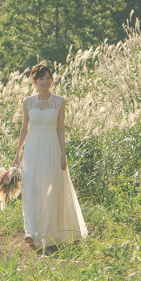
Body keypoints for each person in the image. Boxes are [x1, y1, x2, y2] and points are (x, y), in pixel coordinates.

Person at [13, 62, 88, 251]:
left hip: (51, 148)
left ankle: (48, 233)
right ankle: (30, 232)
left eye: (48, 78)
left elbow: (60, 129)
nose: (45, 81)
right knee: (30, 189)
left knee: (51, 190)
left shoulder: (59, 101)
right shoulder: (28, 102)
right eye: (41, 78)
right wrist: (17, 154)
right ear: (34, 82)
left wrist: (64, 154)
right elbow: (24, 129)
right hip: (32, 149)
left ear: (52, 80)